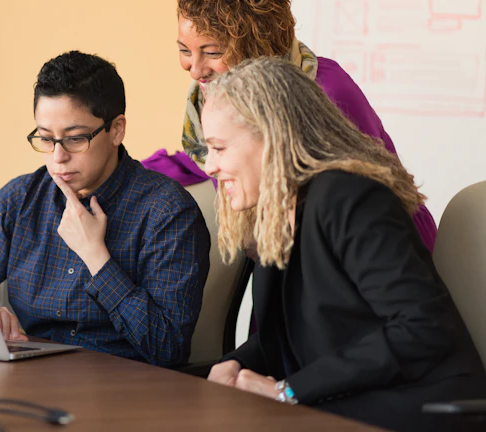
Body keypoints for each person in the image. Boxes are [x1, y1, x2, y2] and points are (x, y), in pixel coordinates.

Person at [202, 57, 486, 432]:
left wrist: (289, 391)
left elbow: (420, 328)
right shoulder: (276, 211)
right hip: (347, 401)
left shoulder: (352, 199)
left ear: (272, 138)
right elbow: (289, 334)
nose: (209, 166)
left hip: (422, 406)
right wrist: (236, 364)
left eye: (219, 148)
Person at [0, 51, 211, 367]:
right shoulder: (21, 199)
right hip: (32, 379)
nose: (58, 157)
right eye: (46, 139)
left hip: (125, 385)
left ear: (116, 130)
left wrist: (96, 257)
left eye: (75, 139)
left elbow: (168, 348)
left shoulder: (167, 211)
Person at [143, 0, 437, 252]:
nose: (194, 70)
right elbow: (215, 158)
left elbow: (371, 196)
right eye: (185, 50)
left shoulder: (326, 89)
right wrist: (127, 171)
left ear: (254, 45)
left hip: (381, 252)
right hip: (298, 257)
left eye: (212, 52)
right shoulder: (217, 98)